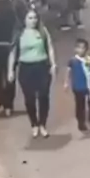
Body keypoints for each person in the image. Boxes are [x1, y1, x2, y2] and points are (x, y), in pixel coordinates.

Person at [7, 9, 56, 138]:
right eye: (30, 18)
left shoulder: (42, 31)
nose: (33, 21)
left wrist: (53, 64)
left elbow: (50, 47)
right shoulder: (19, 34)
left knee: (43, 96)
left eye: (35, 18)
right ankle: (34, 123)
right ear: (24, 20)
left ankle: (43, 124)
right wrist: (10, 70)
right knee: (29, 98)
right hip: (26, 68)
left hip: (42, 66)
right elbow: (13, 53)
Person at [65, 38, 90, 133]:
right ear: (75, 49)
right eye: (79, 48)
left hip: (88, 86)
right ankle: (81, 122)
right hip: (78, 86)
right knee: (80, 105)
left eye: (83, 48)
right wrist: (66, 83)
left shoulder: (89, 60)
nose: (81, 50)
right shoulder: (72, 61)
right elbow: (68, 71)